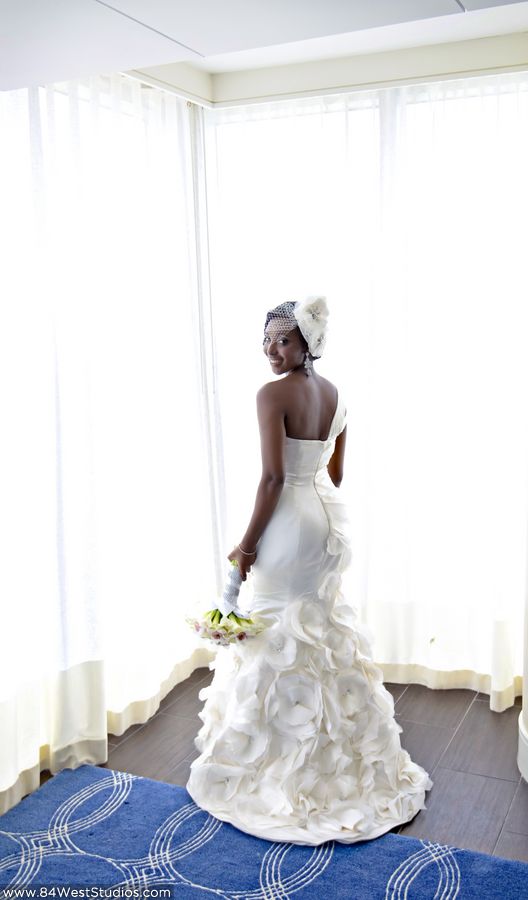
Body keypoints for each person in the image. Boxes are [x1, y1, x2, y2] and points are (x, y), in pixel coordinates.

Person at [186, 297, 432, 844]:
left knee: (275, 630)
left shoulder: (272, 395)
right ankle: (335, 753)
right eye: (268, 340)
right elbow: (336, 474)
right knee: (316, 630)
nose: (273, 351)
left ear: (308, 345)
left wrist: (246, 546)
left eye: (285, 341)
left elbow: (274, 479)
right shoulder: (336, 395)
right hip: (324, 523)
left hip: (287, 522)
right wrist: (309, 470)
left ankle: (277, 762)